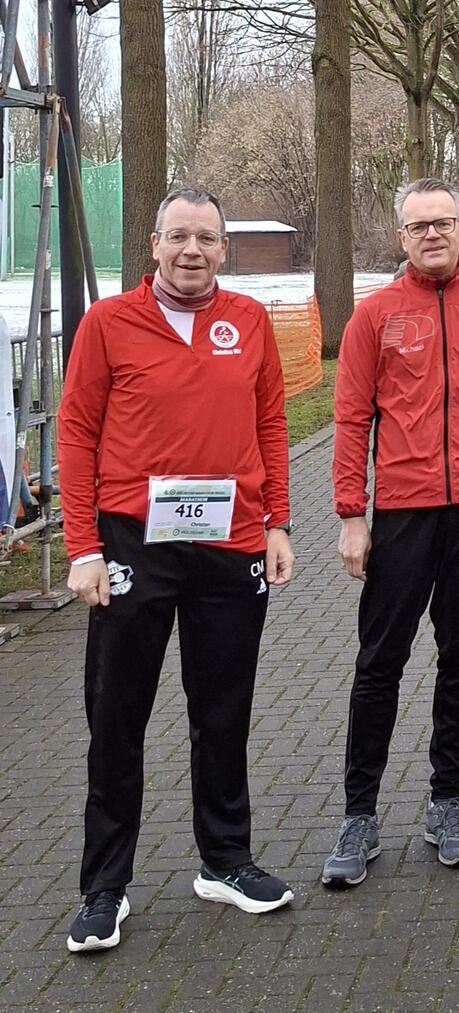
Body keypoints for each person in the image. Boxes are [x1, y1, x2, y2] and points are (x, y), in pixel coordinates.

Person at [58, 186, 296, 952]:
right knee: (116, 716)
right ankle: (104, 886)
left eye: (206, 238)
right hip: (133, 542)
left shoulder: (249, 321)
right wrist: (83, 548)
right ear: (154, 243)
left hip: (231, 541)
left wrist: (278, 522)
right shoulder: (109, 323)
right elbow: (76, 431)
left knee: (223, 710)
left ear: (224, 248)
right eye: (179, 236)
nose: (192, 250)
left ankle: (225, 860)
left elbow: (270, 421)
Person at [323, 178, 459, 886]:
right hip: (402, 513)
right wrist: (352, 514)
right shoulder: (375, 315)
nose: (433, 234)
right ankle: (359, 813)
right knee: (380, 661)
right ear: (402, 237)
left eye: (443, 223)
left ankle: (447, 801)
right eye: (419, 226)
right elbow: (351, 417)